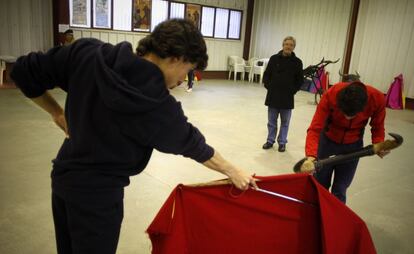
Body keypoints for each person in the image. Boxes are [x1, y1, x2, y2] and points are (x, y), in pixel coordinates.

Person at [10, 19, 257, 254]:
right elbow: (194, 145)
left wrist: (56, 112)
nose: (183, 80)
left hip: (63, 181)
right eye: (187, 70)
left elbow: (23, 71)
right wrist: (233, 171)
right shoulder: (157, 106)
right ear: (175, 58)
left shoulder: (89, 53)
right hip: (98, 199)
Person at [301, 81, 389, 203]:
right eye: (344, 113)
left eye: (351, 115)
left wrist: (379, 143)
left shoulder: (377, 98)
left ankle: (336, 219)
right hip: (327, 142)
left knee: (340, 188)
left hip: (353, 147)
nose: (347, 117)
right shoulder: (330, 95)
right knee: (319, 185)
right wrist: (311, 156)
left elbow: (378, 127)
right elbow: (315, 129)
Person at [262, 36, 303, 152]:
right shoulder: (274, 59)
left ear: (294, 47)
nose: (288, 46)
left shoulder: (297, 62)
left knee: (285, 122)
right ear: (283, 45)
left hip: (287, 97)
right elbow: (267, 74)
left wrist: (293, 90)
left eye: (291, 45)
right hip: (273, 96)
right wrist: (269, 86)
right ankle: (270, 141)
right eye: (286, 44)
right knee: (271, 122)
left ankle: (282, 142)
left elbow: (300, 80)